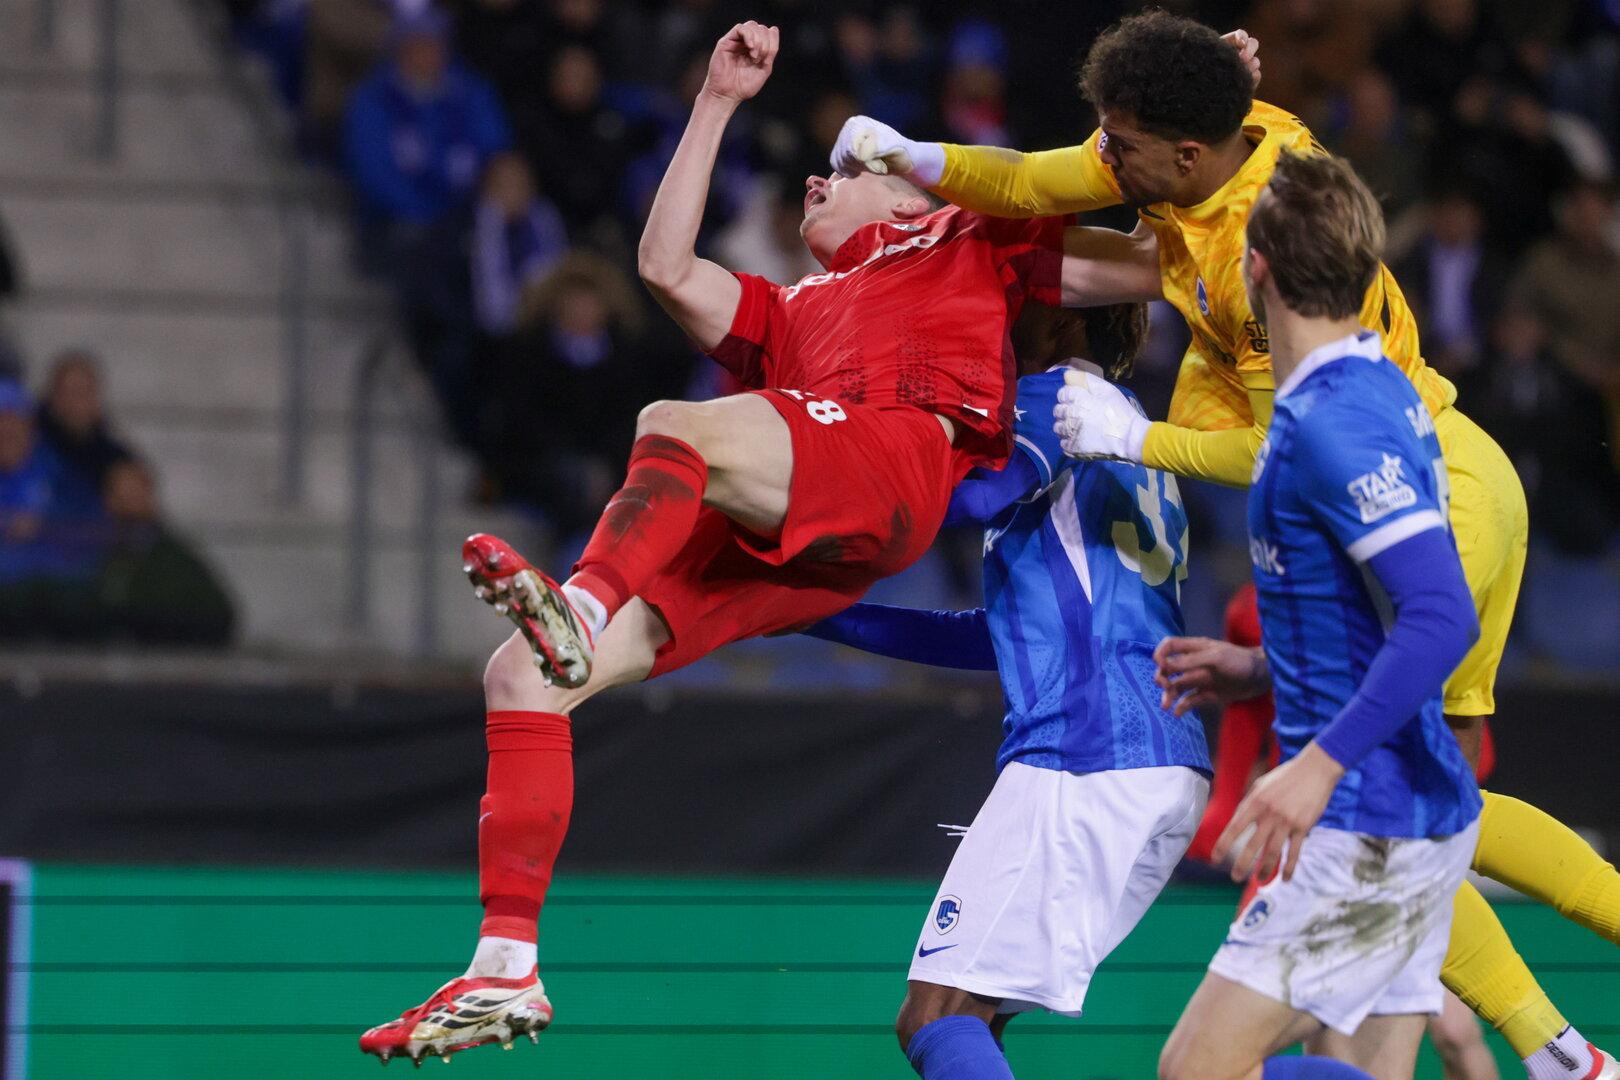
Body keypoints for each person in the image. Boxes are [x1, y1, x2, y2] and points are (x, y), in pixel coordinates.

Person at [829, 14, 1620, 1076]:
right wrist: (921, 157)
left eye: (1126, 146)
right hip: (1445, 468)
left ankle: (1555, 1049)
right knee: (1435, 806)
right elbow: (1041, 181)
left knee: (1395, 806)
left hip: (1439, 487)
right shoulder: (1239, 145)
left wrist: (1135, 439)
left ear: (1200, 167)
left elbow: (1288, 464)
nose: (1107, 163)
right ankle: (1563, 1054)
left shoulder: (1281, 336)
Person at [357, 22, 1150, 1065]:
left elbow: (1147, 263)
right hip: (805, 520)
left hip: (897, 457)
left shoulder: (971, 239)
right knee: (520, 677)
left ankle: (581, 606)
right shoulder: (791, 308)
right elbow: (661, 264)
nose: (819, 180)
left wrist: (1215, 126)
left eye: (848, 171)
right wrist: (716, 103)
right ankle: (506, 964)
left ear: (914, 199)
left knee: (675, 427)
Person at [806, 301, 1214, 1079]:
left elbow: (969, 500)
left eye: (1015, 302)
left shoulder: (1051, 398)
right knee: (973, 1014)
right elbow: (995, 633)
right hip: (1154, 756)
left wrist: (815, 496)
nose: (993, 321)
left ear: (1066, 323)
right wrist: (817, 615)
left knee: (937, 1013)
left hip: (1086, 748)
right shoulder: (1127, 426)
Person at [1154, 151, 1484, 1080]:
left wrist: (1317, 766)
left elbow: (1441, 615)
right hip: (1401, 811)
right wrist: (1264, 670)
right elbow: (1374, 611)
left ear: (1254, 266)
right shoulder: (1375, 386)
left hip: (1364, 817)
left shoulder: (1336, 422)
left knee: (1195, 1072)